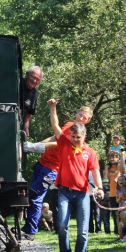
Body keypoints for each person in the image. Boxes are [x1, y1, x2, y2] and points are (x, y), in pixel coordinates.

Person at [21, 103, 93, 240]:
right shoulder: (69, 125)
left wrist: (39, 146)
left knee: (36, 198)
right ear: (77, 114)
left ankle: (30, 230)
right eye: (80, 115)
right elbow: (55, 137)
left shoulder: (79, 137)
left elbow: (58, 144)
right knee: (32, 196)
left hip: (52, 169)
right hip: (43, 163)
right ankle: (27, 227)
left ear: (88, 121)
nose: (81, 118)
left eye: (85, 117)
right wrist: (35, 145)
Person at [49, 100, 104, 252]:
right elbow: (56, 125)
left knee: (82, 229)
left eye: (78, 138)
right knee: (62, 225)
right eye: (72, 136)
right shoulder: (64, 144)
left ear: (84, 136)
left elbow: (95, 171)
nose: (74, 140)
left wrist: (100, 187)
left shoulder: (90, 152)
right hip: (64, 192)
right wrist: (53, 108)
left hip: (82, 193)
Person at [19, 66, 43, 137]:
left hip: (16, 122)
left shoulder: (35, 94)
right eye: (33, 77)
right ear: (26, 74)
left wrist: (26, 127)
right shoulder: (16, 83)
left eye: (37, 79)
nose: (34, 81)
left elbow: (29, 113)